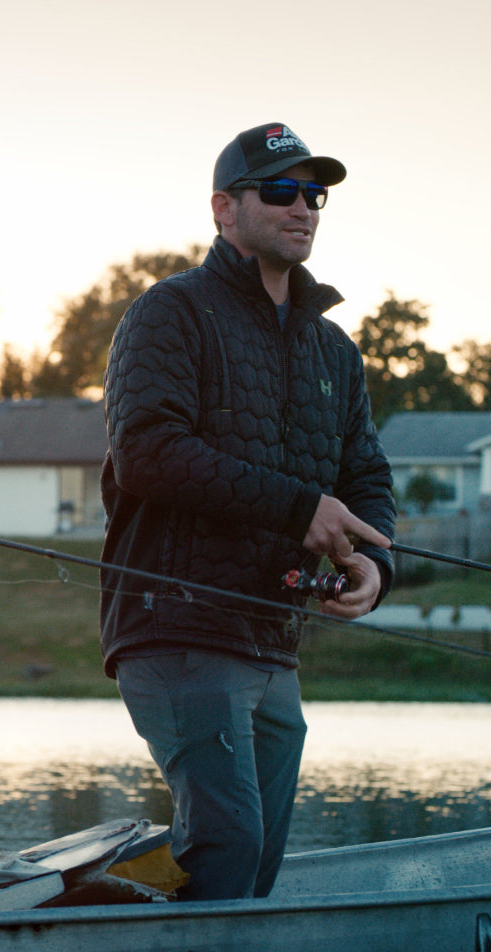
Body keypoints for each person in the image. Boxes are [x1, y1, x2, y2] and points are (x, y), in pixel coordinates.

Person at [99, 122, 396, 901]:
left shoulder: (335, 351)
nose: (303, 207)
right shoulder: (170, 313)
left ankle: (112, 897)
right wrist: (302, 507)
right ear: (224, 210)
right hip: (178, 627)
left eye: (314, 193)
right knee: (229, 842)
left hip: (273, 640)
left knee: (250, 861)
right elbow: (147, 452)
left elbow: (365, 474)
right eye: (281, 190)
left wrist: (376, 560)